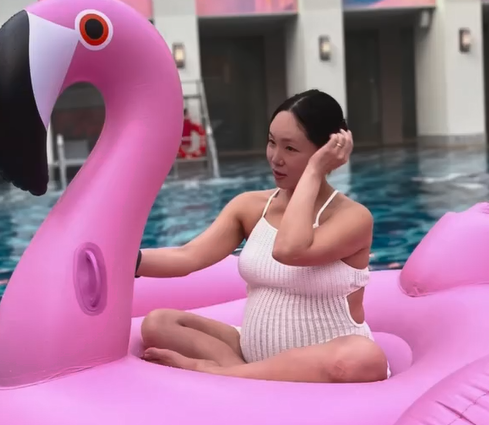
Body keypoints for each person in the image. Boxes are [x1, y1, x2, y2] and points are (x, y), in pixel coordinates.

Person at [138, 89, 389, 384]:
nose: (276, 158)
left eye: (290, 148)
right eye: (271, 142)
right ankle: (241, 374)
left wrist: (313, 173)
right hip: (251, 352)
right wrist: (126, 261)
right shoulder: (250, 206)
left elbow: (289, 250)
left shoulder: (352, 217)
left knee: (364, 356)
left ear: (325, 152)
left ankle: (217, 373)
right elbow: (188, 256)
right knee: (159, 323)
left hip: (326, 358)